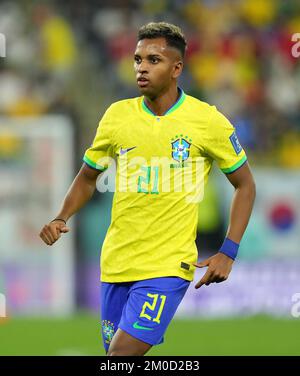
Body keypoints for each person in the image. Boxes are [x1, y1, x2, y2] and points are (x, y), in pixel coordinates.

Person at [39, 22, 256, 356]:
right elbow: (87, 176)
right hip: (116, 263)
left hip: (167, 266)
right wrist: (61, 215)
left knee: (120, 356)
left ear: (176, 68)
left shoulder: (207, 121)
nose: (141, 67)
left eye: (153, 60)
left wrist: (229, 251)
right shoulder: (117, 116)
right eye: (138, 59)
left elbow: (245, 185)